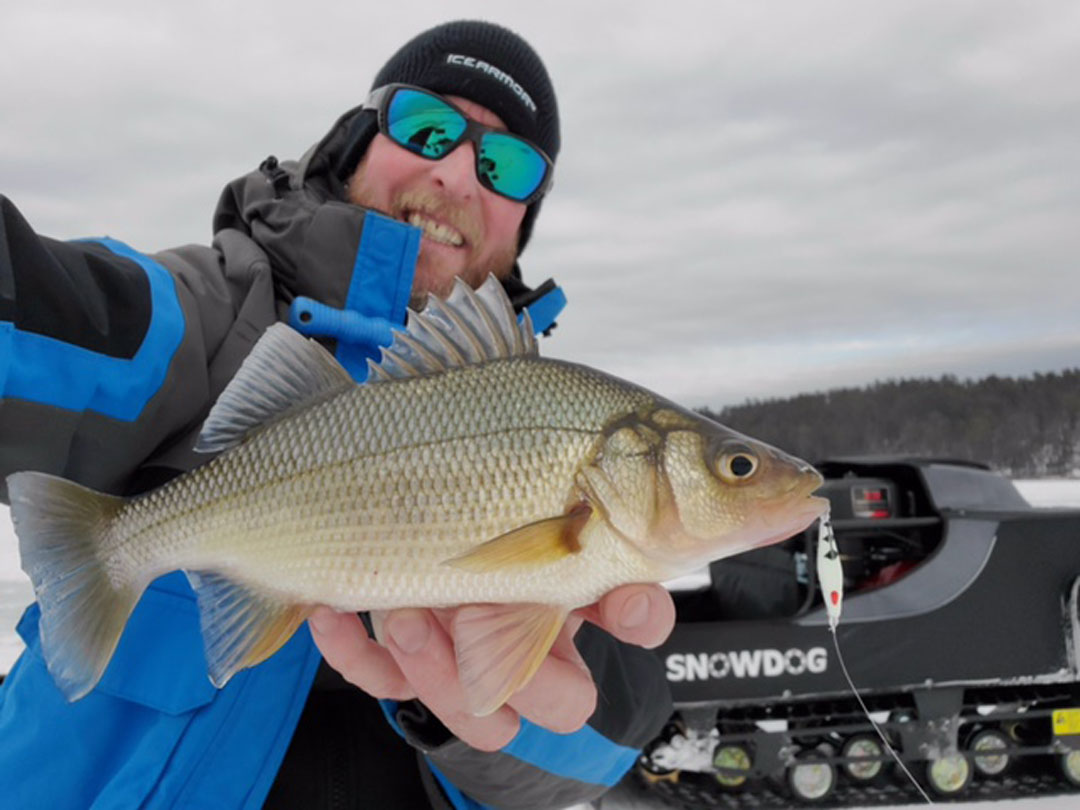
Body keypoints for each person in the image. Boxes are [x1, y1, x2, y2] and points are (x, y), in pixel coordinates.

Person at [0, 20, 674, 810]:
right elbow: (54, 314)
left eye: (509, 164)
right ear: (355, 142)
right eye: (428, 127)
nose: (457, 172)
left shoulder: (548, 418)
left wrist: (485, 683)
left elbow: (607, 748)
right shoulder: (210, 322)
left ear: (524, 220)